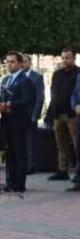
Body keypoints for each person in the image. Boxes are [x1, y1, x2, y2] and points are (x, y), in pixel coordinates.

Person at [0, 52, 35, 193]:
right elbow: (1, 98)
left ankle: (20, 184)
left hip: (19, 122)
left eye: (12, 62)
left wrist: (10, 104)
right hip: (7, 122)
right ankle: (10, 182)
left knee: (19, 153)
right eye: (7, 61)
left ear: (20, 64)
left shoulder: (25, 80)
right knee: (10, 154)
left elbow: (26, 100)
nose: (9, 64)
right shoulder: (6, 79)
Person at [47, 48, 78, 181]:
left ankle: (78, 172)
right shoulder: (57, 74)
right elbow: (53, 93)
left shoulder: (78, 73)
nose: (65, 60)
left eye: (68, 58)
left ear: (74, 58)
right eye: (63, 58)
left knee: (78, 144)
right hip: (58, 114)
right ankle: (62, 170)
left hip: (73, 114)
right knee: (61, 144)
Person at [20, 55, 45, 175]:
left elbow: (40, 98)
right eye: (21, 62)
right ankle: (21, 165)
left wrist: (35, 114)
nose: (22, 64)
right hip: (18, 116)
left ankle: (31, 166)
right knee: (20, 142)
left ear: (30, 63)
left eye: (24, 62)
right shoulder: (16, 77)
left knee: (30, 142)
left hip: (31, 115)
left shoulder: (37, 77)